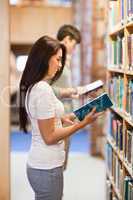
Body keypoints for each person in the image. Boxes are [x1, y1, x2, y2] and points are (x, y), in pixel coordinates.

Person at [19, 35, 102, 200]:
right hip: (46, 168)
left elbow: (49, 119)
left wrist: (74, 116)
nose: (60, 65)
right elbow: (49, 137)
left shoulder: (35, 86)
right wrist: (83, 124)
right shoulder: (42, 89)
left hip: (43, 166)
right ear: (44, 59)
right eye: (57, 59)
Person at [52, 24, 81, 169]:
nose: (73, 50)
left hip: (67, 114)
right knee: (58, 161)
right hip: (58, 115)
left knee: (63, 161)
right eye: (74, 45)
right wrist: (69, 91)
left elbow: (63, 85)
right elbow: (46, 88)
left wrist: (75, 93)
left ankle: (58, 191)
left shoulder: (65, 59)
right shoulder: (53, 58)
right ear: (67, 39)